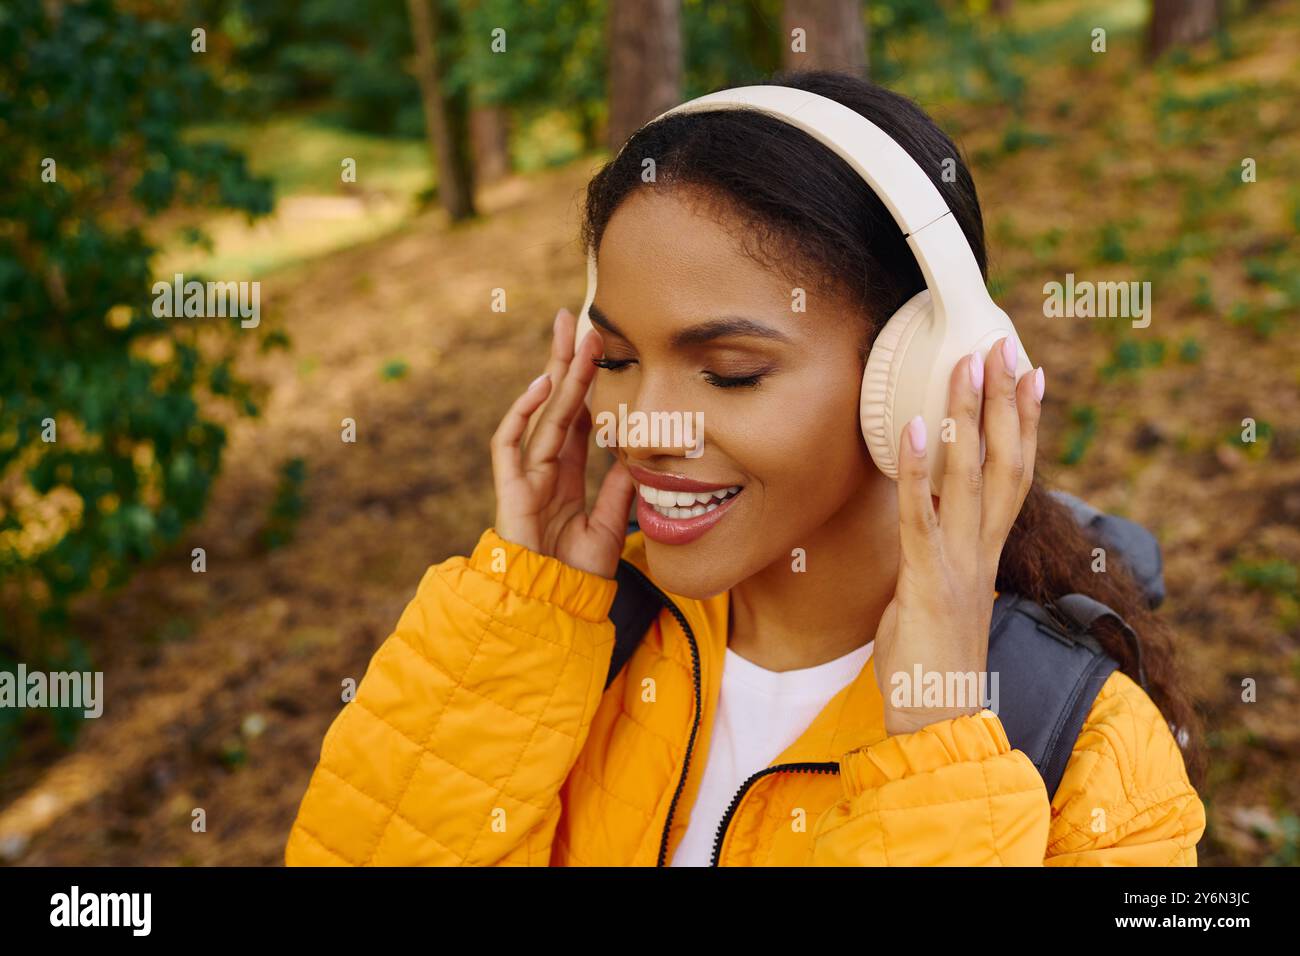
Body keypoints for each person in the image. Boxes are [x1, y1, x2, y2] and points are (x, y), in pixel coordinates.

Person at [285, 70, 1205, 867]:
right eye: (613, 360)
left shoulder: (1090, 765)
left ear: (918, 381)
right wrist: (511, 638)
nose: (640, 429)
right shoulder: (565, 650)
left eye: (730, 373)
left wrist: (937, 749)